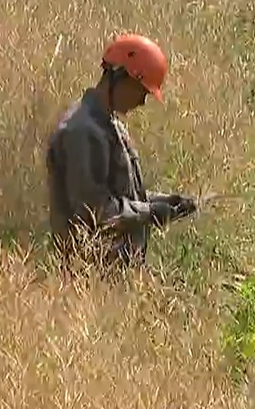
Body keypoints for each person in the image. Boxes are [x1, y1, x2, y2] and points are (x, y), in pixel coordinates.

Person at [45, 32, 198, 271]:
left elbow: (121, 196)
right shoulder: (82, 132)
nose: (142, 103)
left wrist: (165, 203)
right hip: (90, 281)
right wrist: (150, 212)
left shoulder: (109, 124)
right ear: (121, 77)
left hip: (116, 278)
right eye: (142, 91)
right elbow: (94, 211)